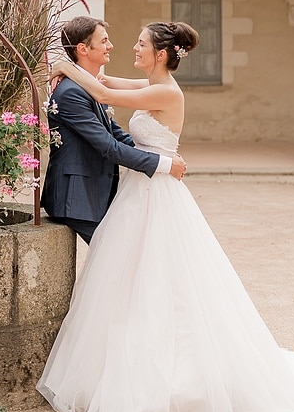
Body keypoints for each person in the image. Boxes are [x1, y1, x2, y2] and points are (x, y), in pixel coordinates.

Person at [37, 20, 294, 412]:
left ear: (161, 54)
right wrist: (67, 69)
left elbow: (106, 94)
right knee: (134, 276)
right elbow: (103, 82)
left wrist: (60, 63)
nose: (131, 46)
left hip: (156, 190)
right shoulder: (150, 83)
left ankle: (174, 378)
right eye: (117, 41)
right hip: (138, 190)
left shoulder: (165, 91)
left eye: (141, 43)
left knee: (160, 278)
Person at [41, 16, 186, 244]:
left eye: (141, 44)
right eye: (104, 40)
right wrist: (164, 163)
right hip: (77, 197)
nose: (112, 46)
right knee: (121, 252)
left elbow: (112, 130)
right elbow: (110, 146)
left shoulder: (91, 85)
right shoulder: (73, 91)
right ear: (83, 49)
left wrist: (160, 156)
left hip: (97, 192)